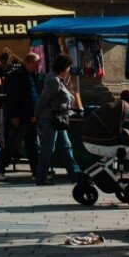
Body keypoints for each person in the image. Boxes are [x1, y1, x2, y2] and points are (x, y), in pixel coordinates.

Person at [33, 56, 78, 185]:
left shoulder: (58, 79)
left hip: (58, 119)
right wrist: (35, 115)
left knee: (66, 146)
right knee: (48, 148)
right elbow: (43, 99)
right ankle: (41, 177)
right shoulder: (53, 80)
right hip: (49, 119)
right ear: (63, 67)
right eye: (68, 67)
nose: (69, 70)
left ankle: (75, 174)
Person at [0, 54, 37, 176]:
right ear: (28, 62)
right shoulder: (16, 75)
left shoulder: (32, 76)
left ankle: (37, 172)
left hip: (30, 115)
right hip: (20, 116)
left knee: (33, 145)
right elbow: (13, 97)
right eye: (36, 62)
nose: (38, 65)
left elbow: (33, 95)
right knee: (13, 144)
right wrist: (15, 115)